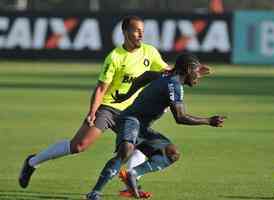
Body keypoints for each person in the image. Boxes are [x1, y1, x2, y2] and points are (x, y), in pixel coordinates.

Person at [18, 15, 170, 197]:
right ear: (125, 31)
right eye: (136, 30)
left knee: (141, 146)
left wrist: (189, 71)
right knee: (78, 146)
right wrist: (92, 112)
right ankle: (32, 162)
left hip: (131, 113)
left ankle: (131, 183)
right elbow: (101, 88)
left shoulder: (149, 52)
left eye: (142, 31)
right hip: (108, 109)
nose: (140, 34)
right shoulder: (114, 57)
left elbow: (167, 72)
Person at [86, 53, 226, 200]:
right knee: (126, 151)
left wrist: (126, 95)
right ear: (188, 69)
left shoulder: (166, 75)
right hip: (130, 119)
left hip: (142, 127)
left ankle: (133, 174)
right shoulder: (173, 85)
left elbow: (145, 76)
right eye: (196, 72)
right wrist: (208, 121)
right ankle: (95, 193)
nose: (198, 77)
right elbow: (180, 117)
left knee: (172, 153)